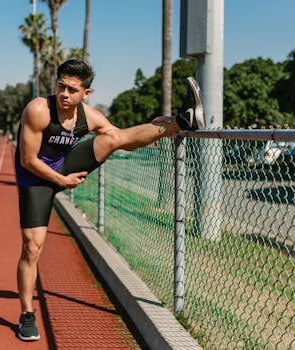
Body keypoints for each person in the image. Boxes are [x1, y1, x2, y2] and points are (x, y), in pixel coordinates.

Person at [14, 58, 204, 341]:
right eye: (61, 86)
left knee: (112, 138)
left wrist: (157, 128)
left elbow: (120, 138)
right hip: (34, 178)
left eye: (72, 90)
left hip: (64, 166)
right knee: (32, 247)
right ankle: (27, 314)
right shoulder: (38, 110)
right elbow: (28, 160)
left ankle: (183, 119)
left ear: (86, 94)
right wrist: (61, 181)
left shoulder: (88, 116)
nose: (65, 94)